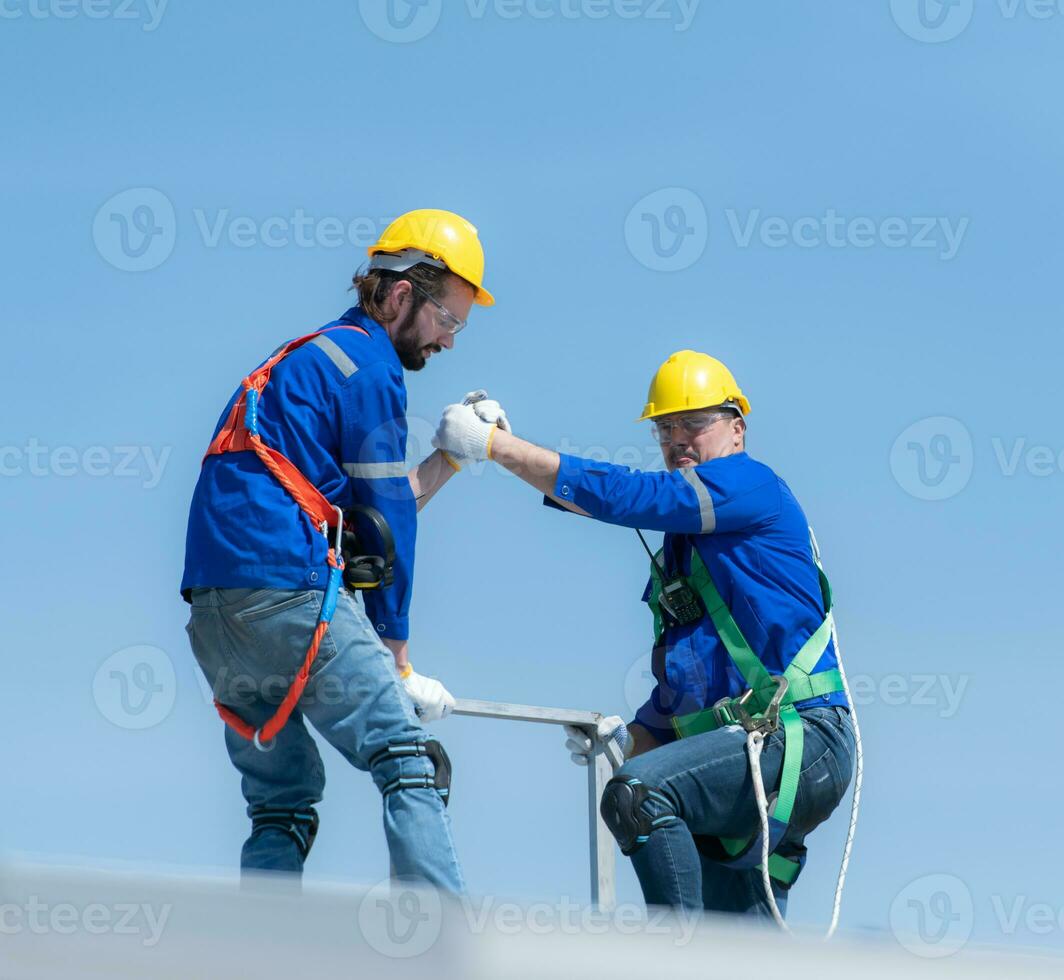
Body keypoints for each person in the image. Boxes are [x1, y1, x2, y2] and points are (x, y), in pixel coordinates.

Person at [432, 350, 858, 922]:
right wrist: (630, 737)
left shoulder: (748, 485)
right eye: (665, 428)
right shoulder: (688, 550)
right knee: (736, 950)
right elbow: (693, 681)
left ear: (737, 428)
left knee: (640, 795)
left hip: (799, 742)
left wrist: (498, 448)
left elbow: (630, 496)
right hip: (751, 755)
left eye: (693, 424)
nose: (677, 439)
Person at [180, 209, 493, 892]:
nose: (448, 341)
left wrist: (449, 457)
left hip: (215, 611)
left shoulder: (309, 358)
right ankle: (444, 951)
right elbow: (385, 525)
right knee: (409, 762)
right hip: (289, 590)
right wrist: (398, 656)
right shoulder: (373, 370)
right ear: (403, 294)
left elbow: (357, 514)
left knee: (281, 804)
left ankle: (262, 952)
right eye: (448, 320)